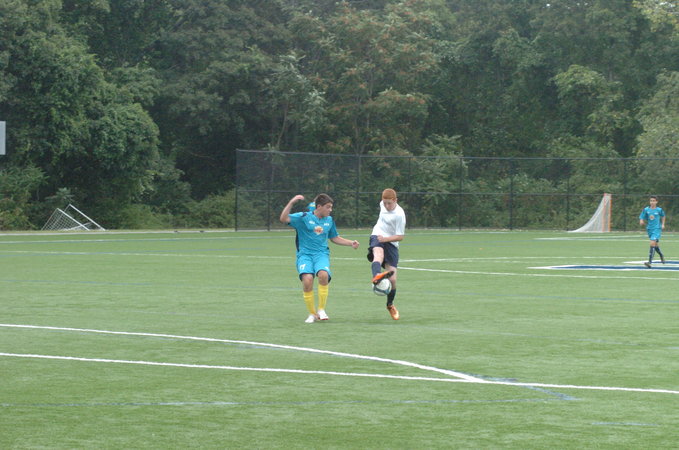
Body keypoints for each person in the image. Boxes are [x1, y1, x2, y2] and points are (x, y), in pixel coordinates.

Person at [280, 193, 359, 323]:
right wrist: (292, 202)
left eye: (331, 207)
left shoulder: (329, 220)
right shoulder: (303, 217)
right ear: (319, 207)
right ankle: (312, 314)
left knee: (323, 275)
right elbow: (283, 218)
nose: (330, 210)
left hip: (321, 254)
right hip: (305, 255)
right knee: (307, 280)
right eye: (328, 207)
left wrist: (351, 243)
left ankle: (321, 309)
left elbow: (334, 238)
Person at [367, 188, 406, 320]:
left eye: (389, 203)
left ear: (395, 200)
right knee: (378, 254)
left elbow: (400, 236)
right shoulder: (382, 204)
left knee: (393, 280)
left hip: (392, 242)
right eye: (384, 203)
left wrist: (386, 239)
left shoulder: (399, 215)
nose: (386, 206)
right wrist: (381, 239)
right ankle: (377, 276)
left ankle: (390, 305)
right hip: (377, 235)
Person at [639, 195, 666, 268]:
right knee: (655, 245)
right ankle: (661, 255)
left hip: (657, 229)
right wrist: (641, 220)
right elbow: (642, 216)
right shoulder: (646, 209)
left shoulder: (659, 210)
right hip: (649, 229)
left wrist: (663, 224)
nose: (652, 202)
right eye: (651, 201)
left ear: (656, 202)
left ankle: (650, 262)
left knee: (652, 243)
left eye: (654, 201)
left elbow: (663, 216)